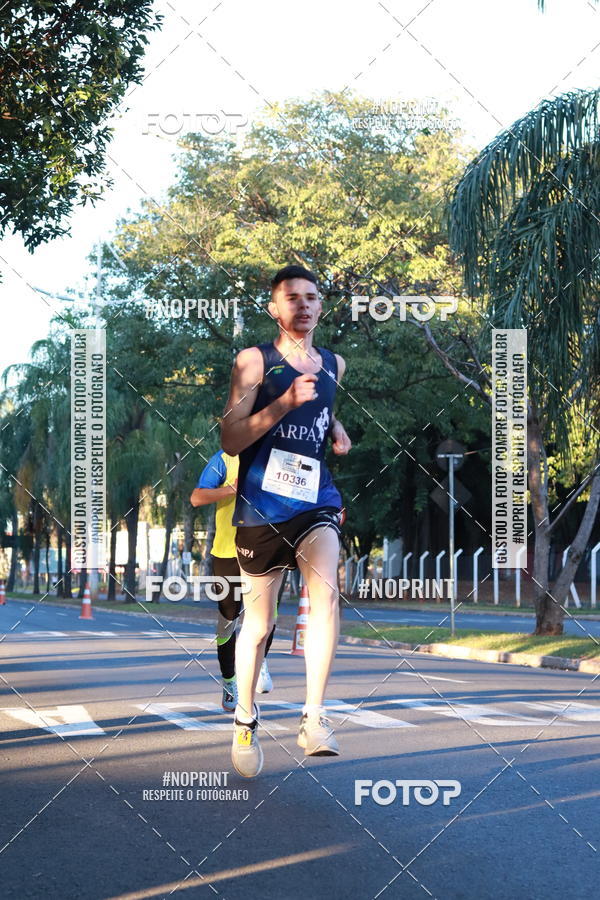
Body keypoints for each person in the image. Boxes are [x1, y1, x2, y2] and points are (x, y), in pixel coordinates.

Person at [221, 264, 351, 778]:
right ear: (275, 308)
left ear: (321, 306)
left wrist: (336, 430)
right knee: (259, 626)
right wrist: (282, 404)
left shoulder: (336, 364)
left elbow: (320, 407)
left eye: (312, 297)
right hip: (261, 507)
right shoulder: (254, 362)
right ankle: (246, 718)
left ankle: (314, 717)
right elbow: (231, 439)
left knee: (325, 593)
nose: (303, 304)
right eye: (292, 298)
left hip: (315, 499)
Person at [190, 450, 278, 711]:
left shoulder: (275, 455)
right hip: (227, 553)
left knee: (266, 613)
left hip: (264, 550)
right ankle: (230, 681)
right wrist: (231, 489)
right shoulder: (225, 459)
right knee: (228, 620)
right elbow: (197, 497)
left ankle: (260, 662)